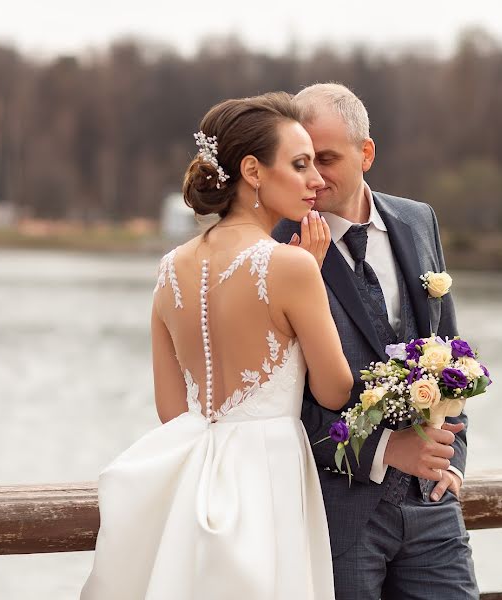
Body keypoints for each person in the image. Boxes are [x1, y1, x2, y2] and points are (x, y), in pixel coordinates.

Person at [81, 92, 353, 600]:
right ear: (252, 170)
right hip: (267, 478)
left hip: (193, 482)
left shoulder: (169, 269)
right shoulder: (292, 266)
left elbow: (170, 410)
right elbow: (336, 389)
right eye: (300, 164)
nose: (316, 179)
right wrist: (310, 274)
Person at [273, 83, 480, 599]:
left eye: (327, 158)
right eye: (301, 162)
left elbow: (452, 353)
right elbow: (275, 401)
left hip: (432, 509)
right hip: (338, 516)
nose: (314, 177)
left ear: (366, 152)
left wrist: (450, 461)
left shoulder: (417, 220)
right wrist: (387, 449)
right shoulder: (276, 247)